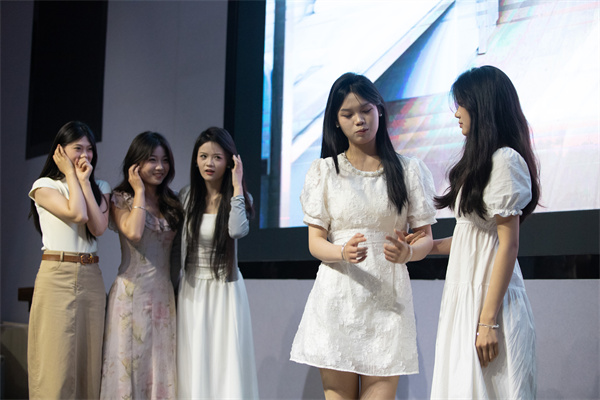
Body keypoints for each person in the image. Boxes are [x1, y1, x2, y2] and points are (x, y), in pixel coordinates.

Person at [290, 73, 437, 399]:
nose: (359, 120)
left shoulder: (408, 170)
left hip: (388, 302)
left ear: (379, 110)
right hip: (337, 299)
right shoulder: (324, 172)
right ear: (336, 121)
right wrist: (342, 252)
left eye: (366, 110)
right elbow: (315, 243)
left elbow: (425, 237)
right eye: (348, 114)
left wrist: (409, 253)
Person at [429, 65, 540, 399]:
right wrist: (425, 247)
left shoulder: (505, 160)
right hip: (466, 300)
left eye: (462, 104)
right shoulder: (479, 163)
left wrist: (488, 320)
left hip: (490, 303)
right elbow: (471, 239)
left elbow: (508, 245)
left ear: (482, 106)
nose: (456, 113)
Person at [27, 121, 111, 399]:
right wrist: (71, 176)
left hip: (91, 275)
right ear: (60, 151)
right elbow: (78, 214)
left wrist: (85, 182)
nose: (85, 155)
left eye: (90, 149)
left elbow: (98, 227)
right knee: (55, 362)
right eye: (78, 148)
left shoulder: (100, 186)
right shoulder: (44, 186)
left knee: (89, 362)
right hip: (56, 274)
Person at [175, 127, 259, 399]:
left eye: (217, 157)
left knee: (225, 361)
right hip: (192, 288)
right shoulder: (186, 196)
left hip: (225, 289)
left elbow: (237, 230)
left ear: (230, 162)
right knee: (193, 358)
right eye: (203, 156)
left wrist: (237, 185)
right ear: (195, 160)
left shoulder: (239, 198)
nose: (209, 163)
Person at [100, 132, 183, 399]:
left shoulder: (172, 202)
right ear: (135, 164)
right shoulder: (120, 199)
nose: (160, 167)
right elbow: (134, 233)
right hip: (130, 296)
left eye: (164, 160)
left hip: (163, 297)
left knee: (159, 369)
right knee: (129, 368)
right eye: (151, 160)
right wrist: (138, 192)